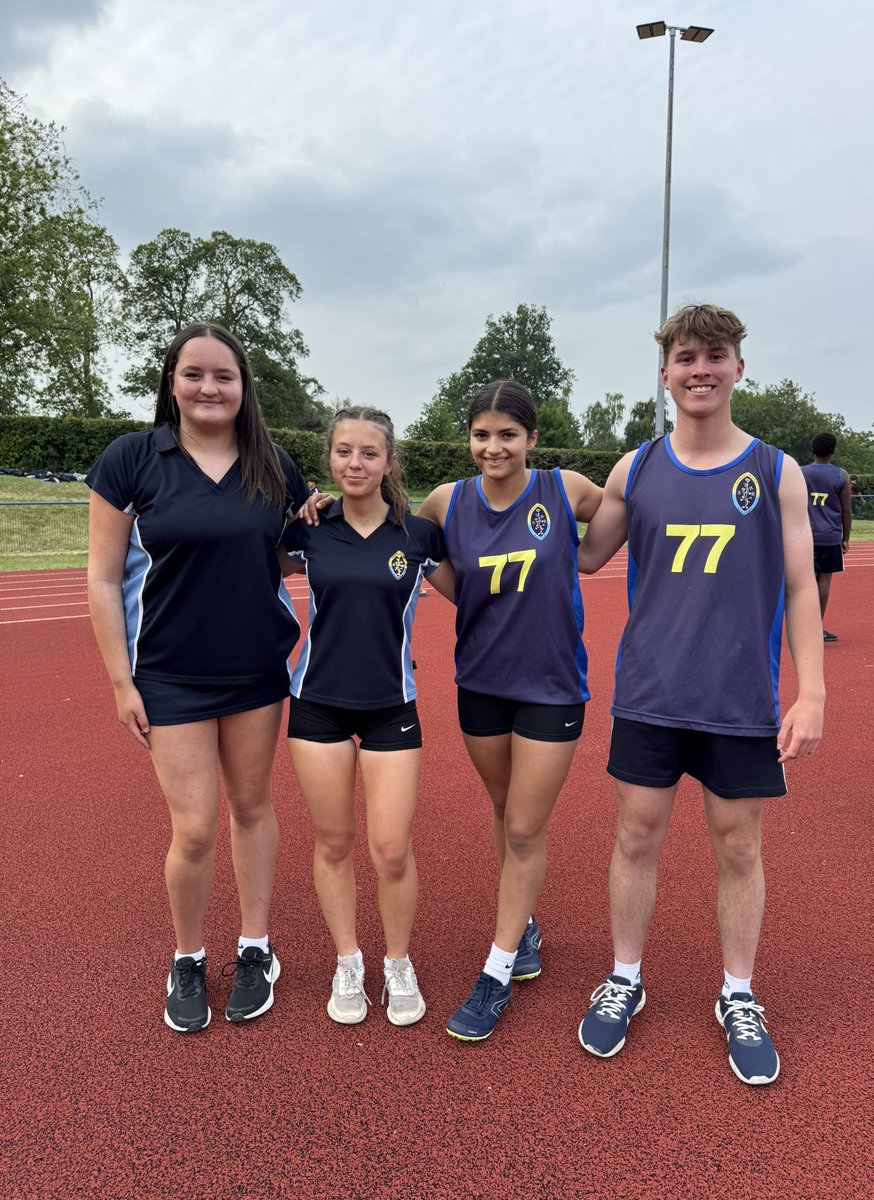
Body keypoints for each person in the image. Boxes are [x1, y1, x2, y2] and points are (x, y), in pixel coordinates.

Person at [576, 303, 824, 1086]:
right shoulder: (636, 468)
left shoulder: (775, 471)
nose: (700, 369)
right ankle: (624, 977)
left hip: (739, 699)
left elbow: (800, 583)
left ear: (739, 368)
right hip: (650, 693)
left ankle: (738, 993)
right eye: (686, 357)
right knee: (636, 837)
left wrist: (811, 691)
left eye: (715, 355)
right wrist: (523, 487)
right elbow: (583, 557)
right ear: (666, 375)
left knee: (739, 846)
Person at [87, 322, 309, 1033]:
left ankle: (255, 948)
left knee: (252, 807)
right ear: (172, 381)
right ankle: (187, 956)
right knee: (194, 826)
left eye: (225, 376)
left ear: (245, 389)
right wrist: (122, 682)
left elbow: (292, 557)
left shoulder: (273, 465)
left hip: (254, 670)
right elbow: (100, 578)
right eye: (195, 374)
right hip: (170, 677)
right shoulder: (132, 459)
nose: (210, 388)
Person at [415, 381, 604, 1042]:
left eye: (507, 435)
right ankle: (522, 923)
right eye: (481, 434)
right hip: (481, 683)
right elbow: (420, 554)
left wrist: (584, 557)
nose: (493, 447)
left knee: (524, 826)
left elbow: (627, 516)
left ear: (530, 438)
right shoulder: (447, 500)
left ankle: (497, 969)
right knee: (502, 808)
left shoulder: (566, 489)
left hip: (552, 686)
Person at [282, 407, 452, 1026]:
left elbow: (478, 595)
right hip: (317, 703)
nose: (355, 463)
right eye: (344, 452)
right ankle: (349, 959)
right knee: (333, 843)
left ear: (389, 462)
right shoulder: (306, 529)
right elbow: (251, 578)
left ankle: (398, 961)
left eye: (368, 453)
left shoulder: (421, 535)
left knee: (391, 848)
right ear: (329, 458)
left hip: (391, 707)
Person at [800, 433, 852, 641]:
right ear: (833, 451)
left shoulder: (800, 472)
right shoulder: (841, 475)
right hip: (829, 536)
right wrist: (845, 538)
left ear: (812, 449)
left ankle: (802, 626)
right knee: (824, 580)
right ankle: (816, 628)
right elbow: (846, 510)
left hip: (804, 535)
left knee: (805, 583)